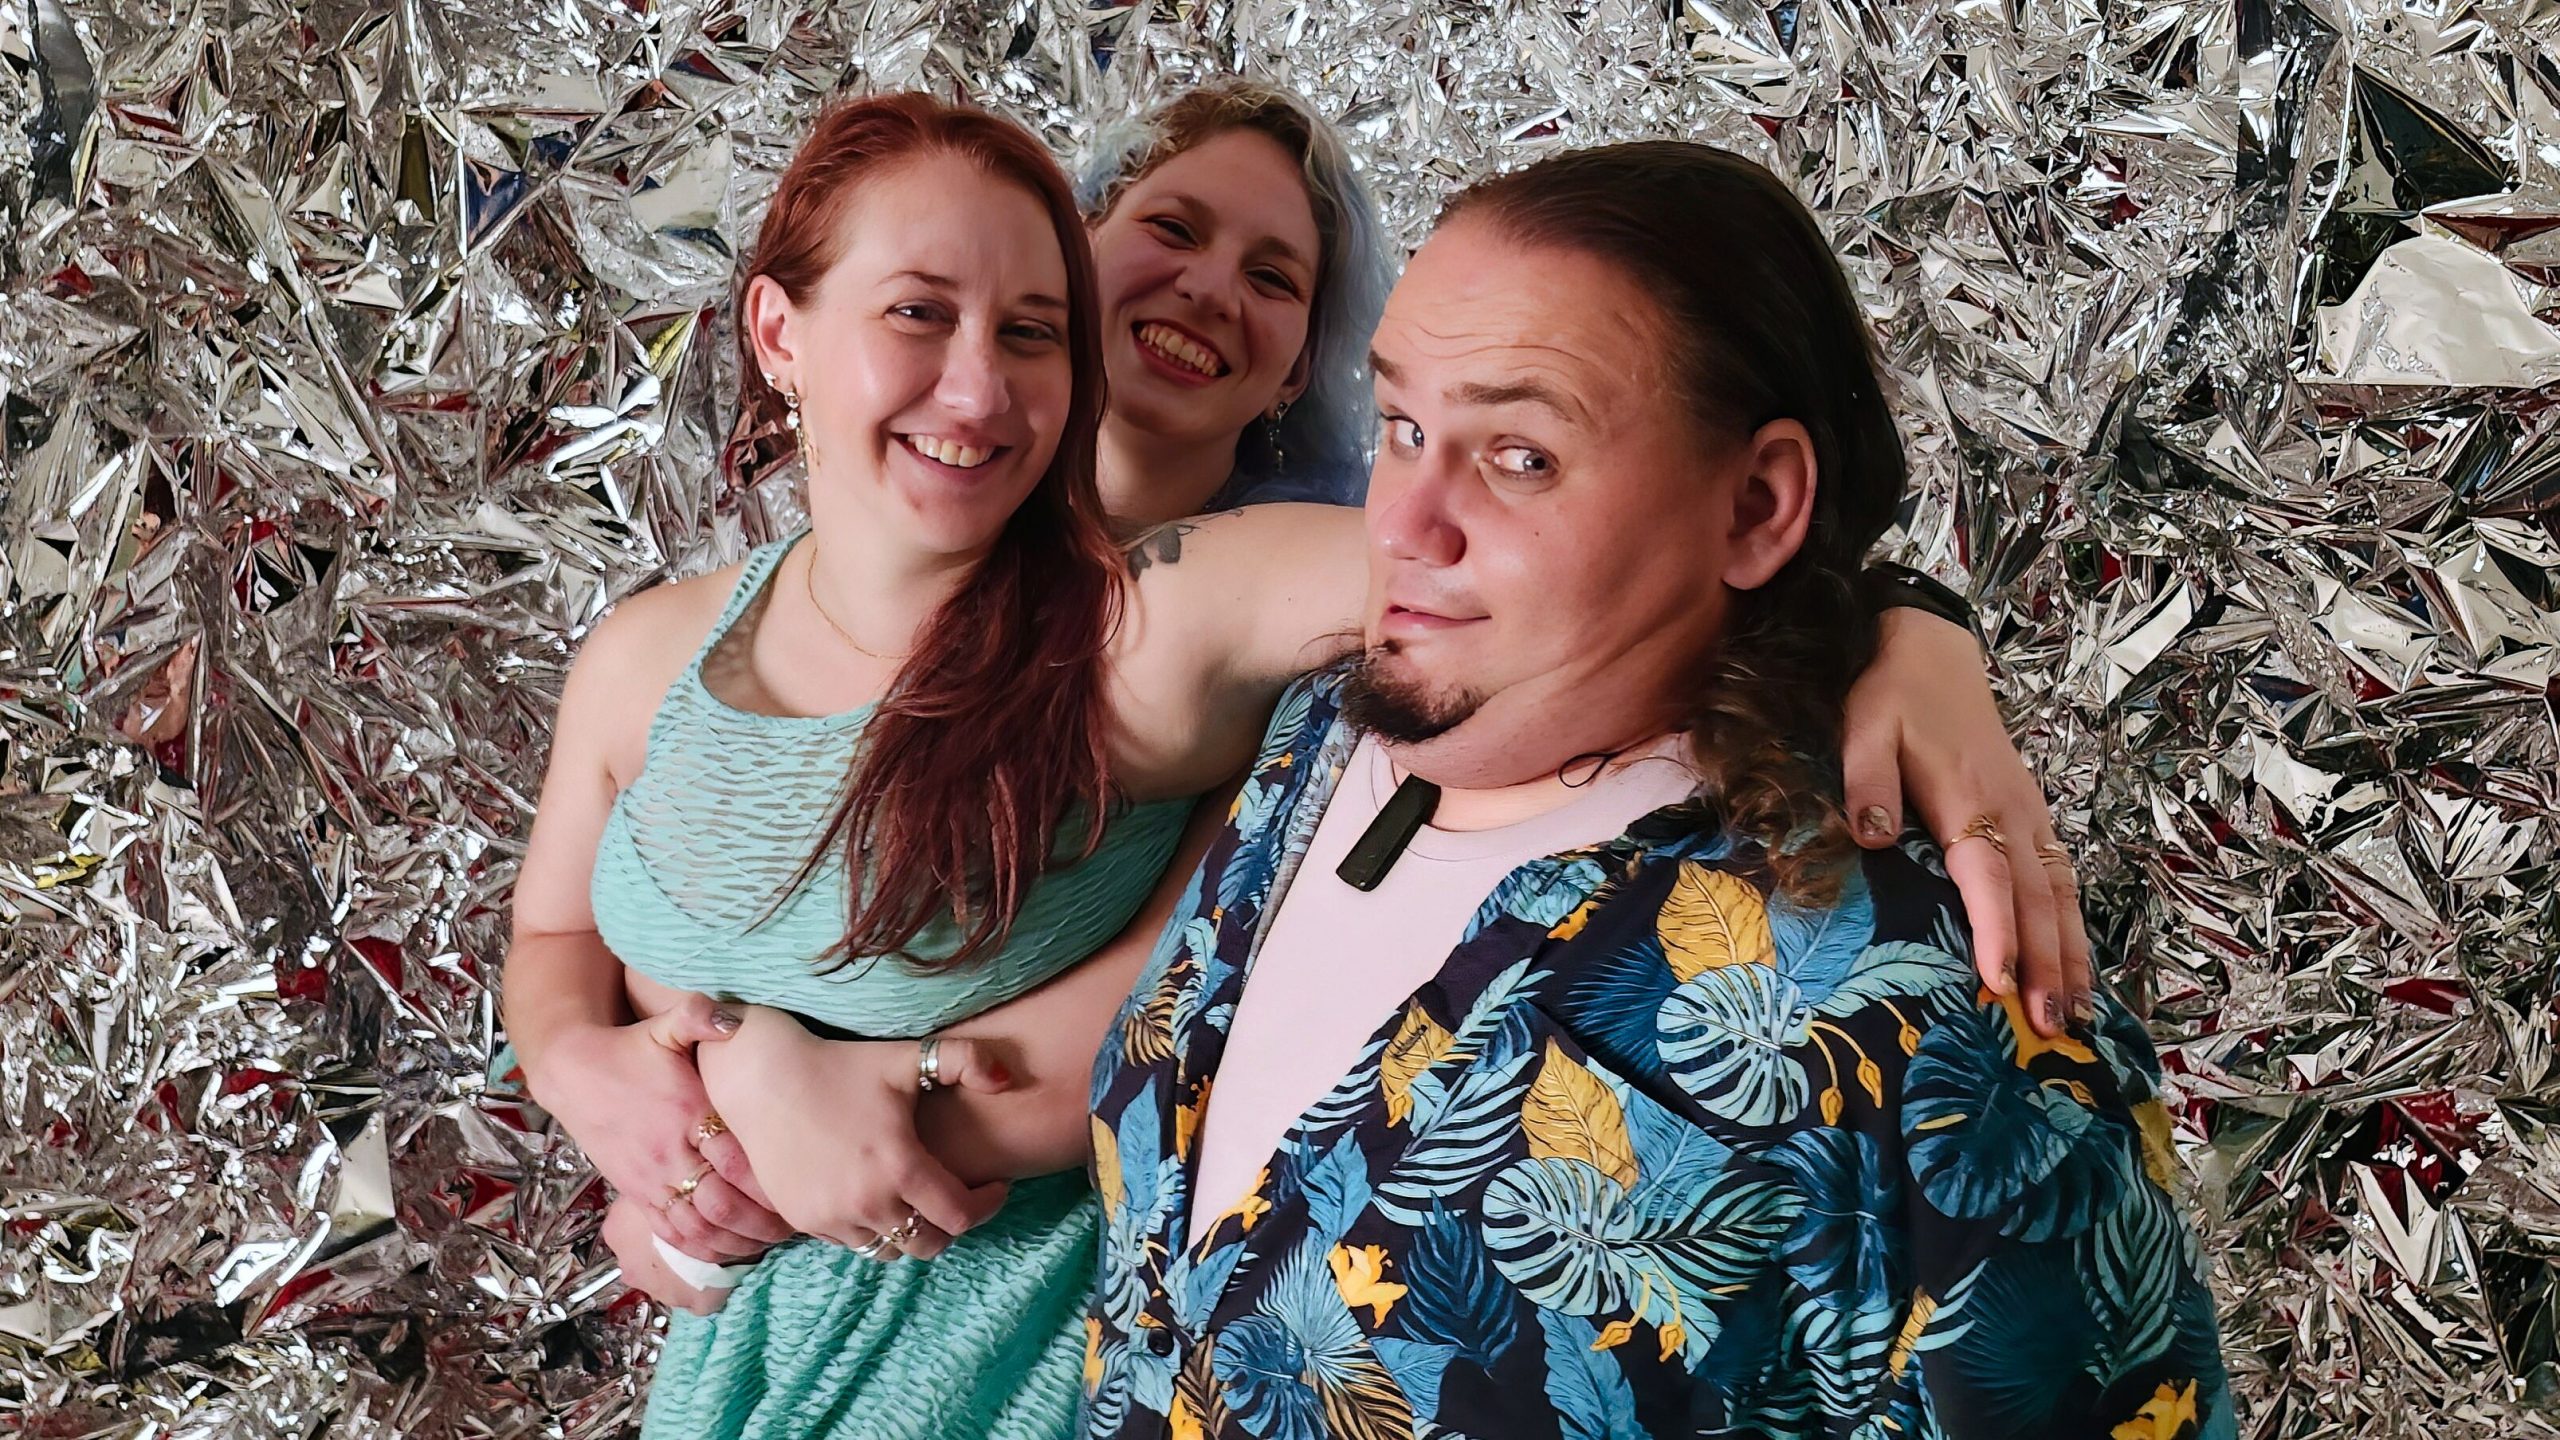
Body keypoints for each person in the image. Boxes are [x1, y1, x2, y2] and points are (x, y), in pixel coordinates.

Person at [499, 87, 2099, 1440]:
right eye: (922, 311)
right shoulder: (663, 650)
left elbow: (1603, 573)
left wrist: (1909, 630)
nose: (977, 381)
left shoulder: (1196, 627)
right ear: (782, 330)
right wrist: (606, 1079)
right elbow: (561, 937)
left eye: (1275, 277)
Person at [1079, 142, 2234, 1439]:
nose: (1399, 523)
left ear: (1755, 505)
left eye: (1521, 457)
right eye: (1403, 428)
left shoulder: (1939, 1027)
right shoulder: (1317, 731)